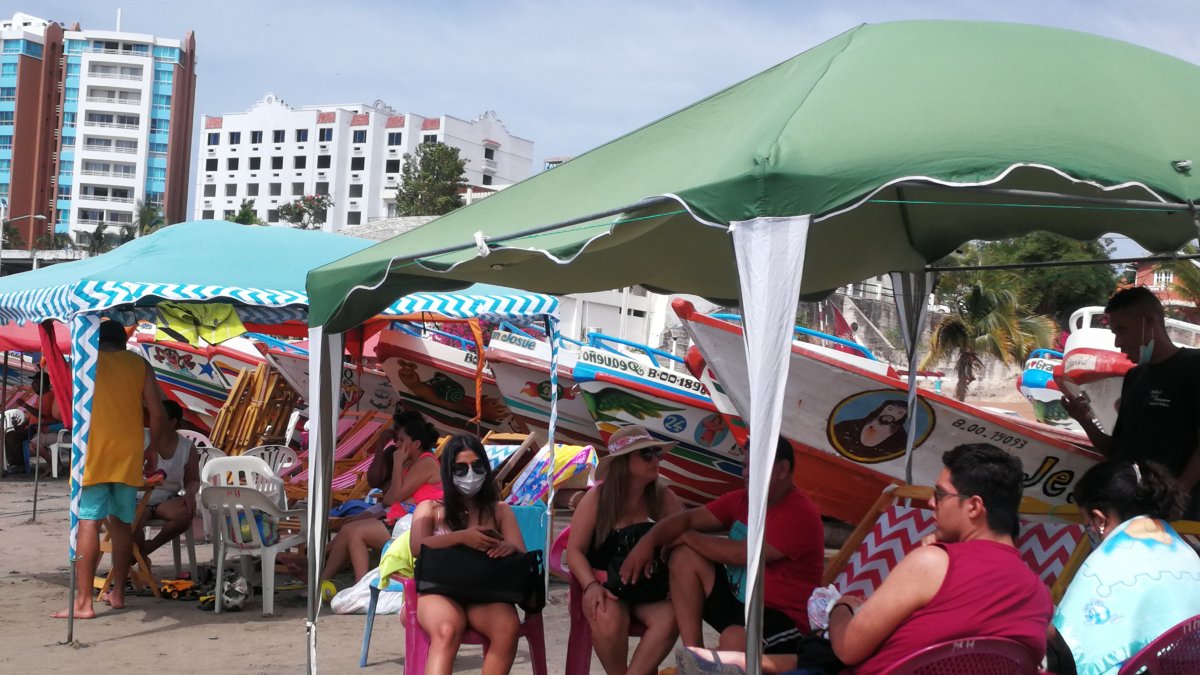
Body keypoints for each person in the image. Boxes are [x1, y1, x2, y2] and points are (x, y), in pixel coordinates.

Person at [676, 443, 1053, 675]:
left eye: (940, 495)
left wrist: (842, 606)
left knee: (824, 650)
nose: (929, 502)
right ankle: (734, 664)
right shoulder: (1038, 596)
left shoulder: (934, 564)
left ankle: (729, 665)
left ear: (974, 507)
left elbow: (848, 647)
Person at [621, 437, 824, 658]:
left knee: (733, 639)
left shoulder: (799, 513)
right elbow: (687, 518)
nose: (745, 473)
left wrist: (687, 536)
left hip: (783, 621)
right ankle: (695, 656)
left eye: (752, 466)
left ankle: (718, 658)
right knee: (684, 556)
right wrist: (647, 542)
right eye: (745, 466)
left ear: (783, 469)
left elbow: (739, 554)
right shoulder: (742, 500)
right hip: (741, 605)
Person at [53, 319, 168, 619]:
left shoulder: (84, 362)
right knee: (121, 524)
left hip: (92, 451)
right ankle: (118, 592)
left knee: (88, 522)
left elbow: (58, 410)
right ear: (123, 342)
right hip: (128, 452)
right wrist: (152, 449)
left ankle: (83, 603)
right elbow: (157, 414)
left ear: (95, 340)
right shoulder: (139, 365)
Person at [1050, 459, 1200, 675]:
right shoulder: (1185, 552)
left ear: (1098, 519)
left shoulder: (1108, 562)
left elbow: (1073, 646)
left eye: (1086, 522)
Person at [1063, 286, 1200, 517]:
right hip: (1132, 513)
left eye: (1121, 330)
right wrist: (1084, 420)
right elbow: (1116, 451)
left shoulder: (1194, 367)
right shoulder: (1134, 378)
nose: (1117, 343)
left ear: (1149, 321)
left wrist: (1177, 496)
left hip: (1181, 518)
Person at [565, 425, 685, 674]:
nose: (656, 459)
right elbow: (574, 551)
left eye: (657, 452)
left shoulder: (663, 498)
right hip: (609, 586)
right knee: (606, 616)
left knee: (674, 615)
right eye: (646, 454)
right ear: (623, 463)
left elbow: (685, 540)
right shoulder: (599, 498)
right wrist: (590, 585)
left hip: (650, 589)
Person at [409, 434, 525, 675]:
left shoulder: (499, 510)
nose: (470, 474)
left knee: (507, 627)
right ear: (448, 472)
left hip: (485, 591)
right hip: (439, 591)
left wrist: (507, 547)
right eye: (460, 468)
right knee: (446, 630)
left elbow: (519, 551)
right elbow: (417, 547)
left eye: (477, 466)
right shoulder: (431, 508)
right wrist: (462, 537)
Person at [320, 410, 441, 584]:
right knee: (350, 529)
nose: (396, 444)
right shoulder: (414, 462)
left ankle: (360, 585)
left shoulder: (426, 462)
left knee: (356, 531)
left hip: (415, 527)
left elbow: (396, 496)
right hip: (404, 520)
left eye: (401, 440)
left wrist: (398, 462)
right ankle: (326, 580)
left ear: (416, 444)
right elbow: (391, 498)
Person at [132, 400, 200, 562]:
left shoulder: (187, 447)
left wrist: (190, 493)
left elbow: (193, 479)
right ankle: (139, 556)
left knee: (185, 513)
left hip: (166, 497)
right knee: (129, 520)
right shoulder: (140, 436)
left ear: (172, 422)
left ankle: (149, 549)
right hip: (137, 496)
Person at [3, 370, 60, 475]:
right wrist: (22, 424)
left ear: (41, 383)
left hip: (39, 428)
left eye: (34, 383)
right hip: (31, 427)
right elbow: (33, 415)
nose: (32, 385)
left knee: (14, 437)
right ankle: (14, 463)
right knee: (9, 433)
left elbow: (41, 415)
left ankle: (20, 465)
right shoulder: (40, 396)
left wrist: (25, 405)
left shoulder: (49, 396)